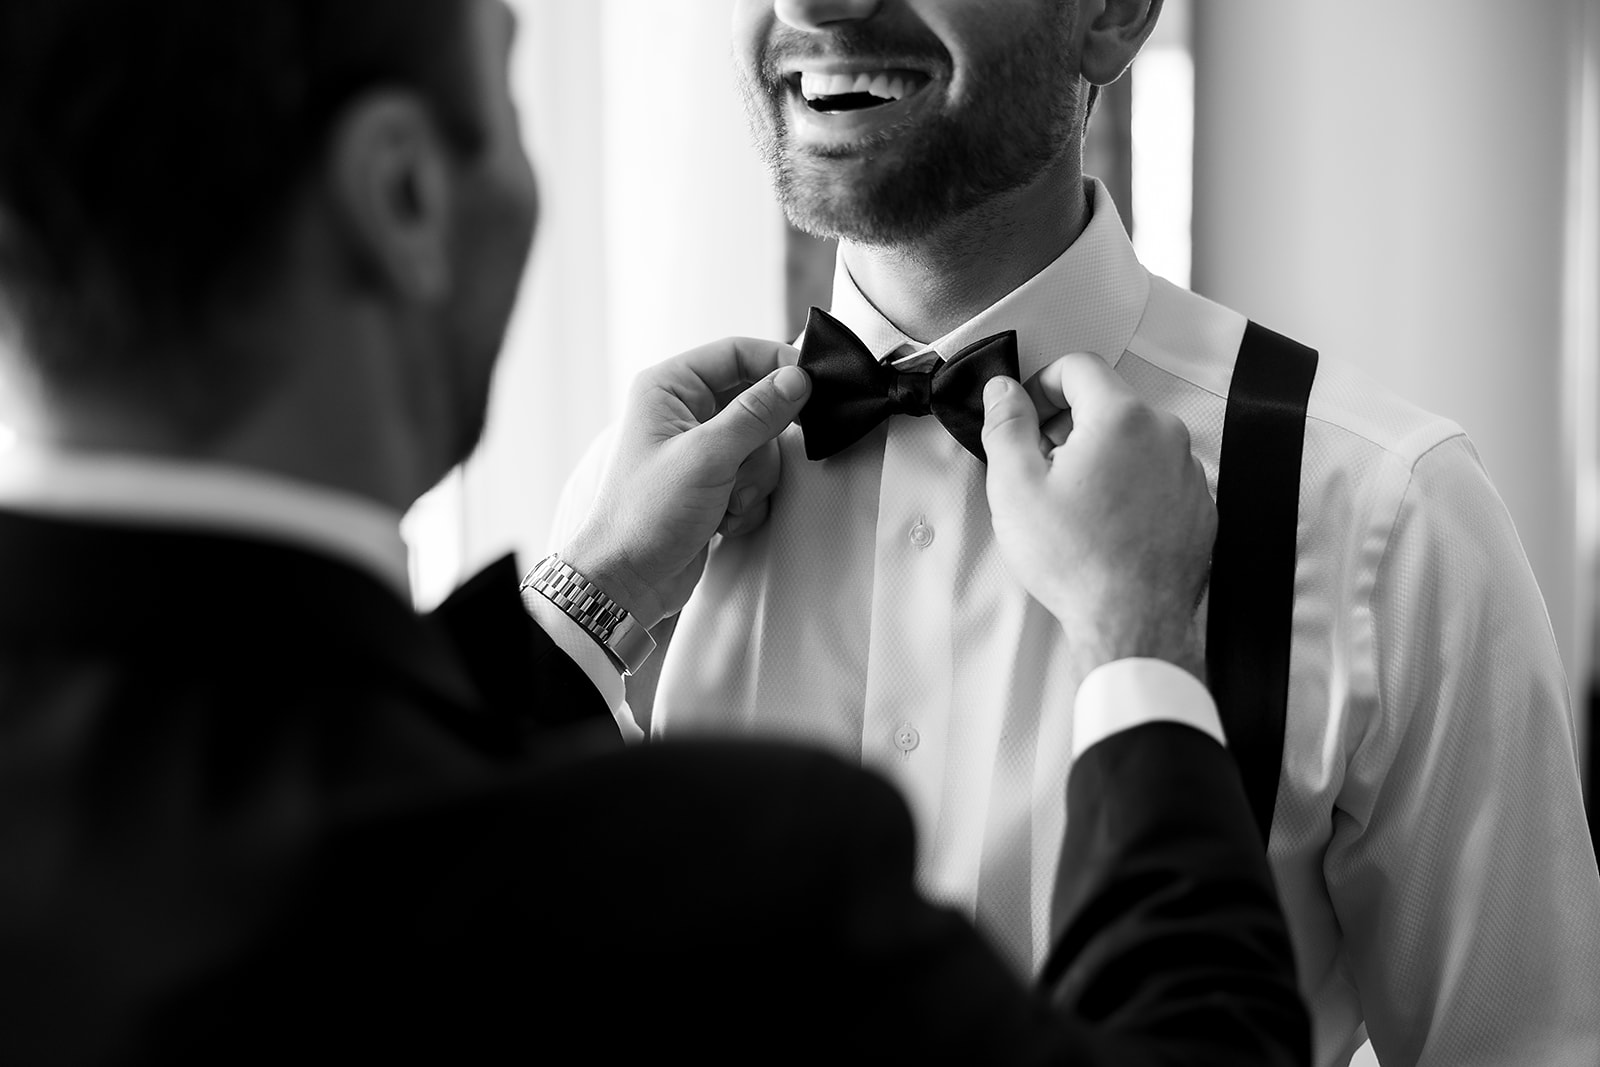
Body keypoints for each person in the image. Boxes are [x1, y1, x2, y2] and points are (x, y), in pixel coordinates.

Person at [0, 1, 1310, 1064]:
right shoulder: (717, 875)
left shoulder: (1373, 501)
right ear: (402, 196)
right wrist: (1141, 643)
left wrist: (585, 600)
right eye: (510, 91)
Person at [554, 1, 1600, 1064]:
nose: (812, 3)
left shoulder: (1391, 514)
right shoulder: (632, 525)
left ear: (1114, 11)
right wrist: (585, 600)